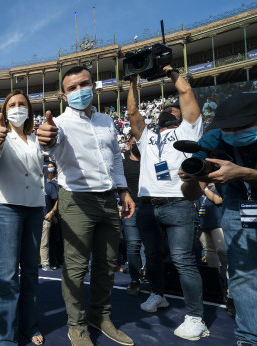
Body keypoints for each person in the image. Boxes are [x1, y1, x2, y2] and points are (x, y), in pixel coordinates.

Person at [36, 66, 135, 346]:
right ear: (64, 95)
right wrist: (48, 138)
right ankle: (76, 325)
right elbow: (51, 143)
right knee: (76, 267)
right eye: (72, 88)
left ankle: (100, 316)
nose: (79, 90)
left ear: (94, 85)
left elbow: (116, 157)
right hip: (77, 200)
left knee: (107, 264)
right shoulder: (60, 124)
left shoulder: (106, 120)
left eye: (84, 84)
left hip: (108, 199)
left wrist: (123, 190)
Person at [127, 66, 208, 341]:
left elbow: (185, 92)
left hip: (178, 203)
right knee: (152, 257)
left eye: (173, 109)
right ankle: (158, 295)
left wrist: (171, 71)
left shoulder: (189, 129)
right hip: (148, 205)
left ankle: (195, 316)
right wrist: (133, 80)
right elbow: (133, 113)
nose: (168, 110)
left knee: (183, 259)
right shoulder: (148, 136)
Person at [181, 92, 257, 345]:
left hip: (242, 194)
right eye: (228, 127)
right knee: (243, 274)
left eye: (242, 126)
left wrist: (245, 173)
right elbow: (191, 188)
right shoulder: (213, 137)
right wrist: (192, 175)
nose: (233, 131)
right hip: (237, 205)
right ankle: (248, 337)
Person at [0, 90, 46, 346]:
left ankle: (29, 326)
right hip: (7, 207)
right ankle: (6, 335)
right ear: (4, 111)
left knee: (31, 270)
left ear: (29, 110)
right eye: (12, 105)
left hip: (34, 207)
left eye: (22, 104)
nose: (17, 108)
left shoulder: (36, 139)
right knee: (8, 272)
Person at [121, 136, 144, 296]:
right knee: (133, 245)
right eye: (134, 143)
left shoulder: (149, 161)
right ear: (128, 144)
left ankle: (149, 276)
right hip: (130, 209)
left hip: (149, 207)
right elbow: (118, 185)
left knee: (151, 246)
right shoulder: (122, 164)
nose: (137, 145)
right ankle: (135, 280)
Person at [40, 161, 59, 272]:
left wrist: (51, 213)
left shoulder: (49, 186)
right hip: (32, 217)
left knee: (45, 242)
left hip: (45, 217)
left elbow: (56, 201)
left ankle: (45, 263)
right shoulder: (30, 185)